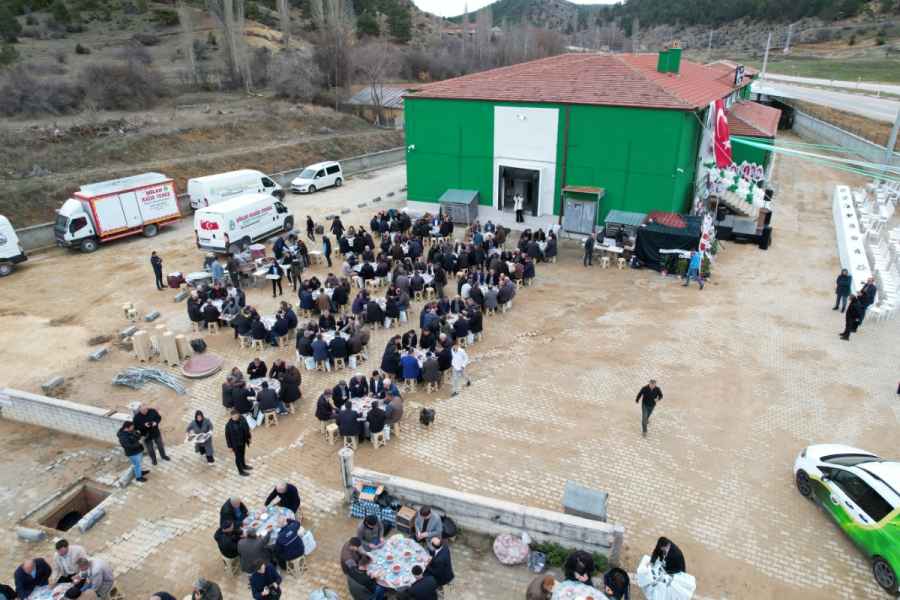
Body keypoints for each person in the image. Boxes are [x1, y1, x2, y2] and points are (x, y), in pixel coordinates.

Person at [225, 410, 252, 476]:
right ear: (231, 417)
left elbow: (247, 428)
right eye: (234, 417)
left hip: (243, 441)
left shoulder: (242, 419)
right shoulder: (229, 425)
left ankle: (243, 465)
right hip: (235, 444)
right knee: (238, 457)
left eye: (236, 416)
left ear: (238, 415)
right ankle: (240, 471)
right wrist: (230, 447)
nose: (235, 418)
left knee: (242, 454)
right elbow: (227, 437)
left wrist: (249, 437)